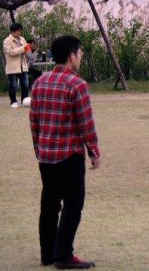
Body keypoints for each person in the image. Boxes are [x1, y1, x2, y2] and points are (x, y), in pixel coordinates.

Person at [30, 35, 101, 269]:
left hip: (46, 155)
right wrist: (94, 151)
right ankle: (63, 255)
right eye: (79, 54)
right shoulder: (76, 85)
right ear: (71, 56)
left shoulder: (40, 83)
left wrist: (39, 148)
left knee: (49, 204)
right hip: (70, 155)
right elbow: (85, 122)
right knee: (73, 204)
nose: (80, 58)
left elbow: (34, 122)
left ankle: (48, 253)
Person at [4, 22, 30, 108]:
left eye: (20, 31)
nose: (20, 33)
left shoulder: (22, 39)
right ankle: (13, 101)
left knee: (25, 84)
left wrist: (28, 52)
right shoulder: (7, 41)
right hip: (13, 67)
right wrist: (23, 48)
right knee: (13, 85)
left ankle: (24, 101)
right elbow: (11, 52)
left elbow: (26, 49)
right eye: (18, 31)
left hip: (23, 66)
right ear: (12, 31)